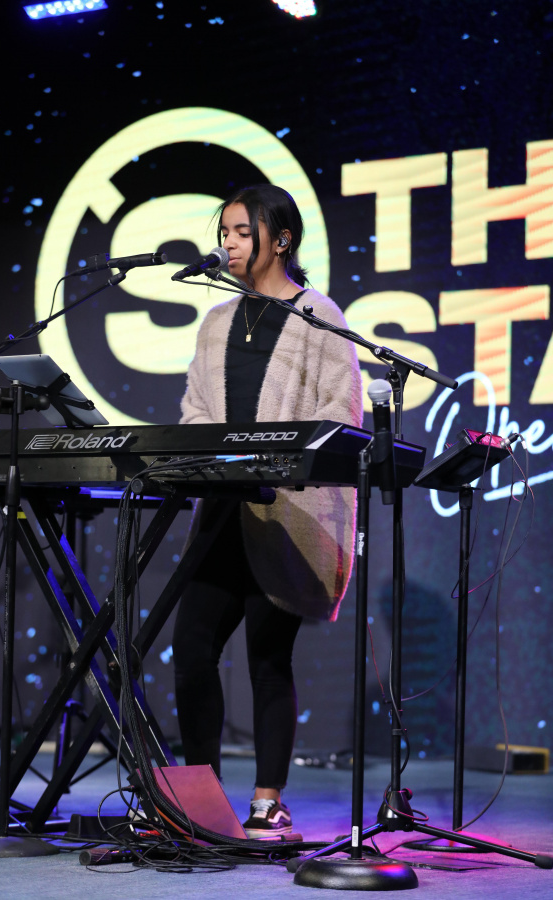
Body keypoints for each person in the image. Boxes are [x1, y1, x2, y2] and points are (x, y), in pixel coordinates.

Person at [172, 183, 363, 838]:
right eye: (223, 233)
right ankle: (200, 799)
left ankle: (267, 800)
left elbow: (340, 417)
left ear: (280, 240)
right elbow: (195, 410)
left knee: (267, 655)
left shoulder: (320, 316)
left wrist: (277, 465)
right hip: (221, 512)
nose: (228, 244)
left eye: (240, 232)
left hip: (289, 516)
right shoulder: (215, 322)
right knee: (191, 647)